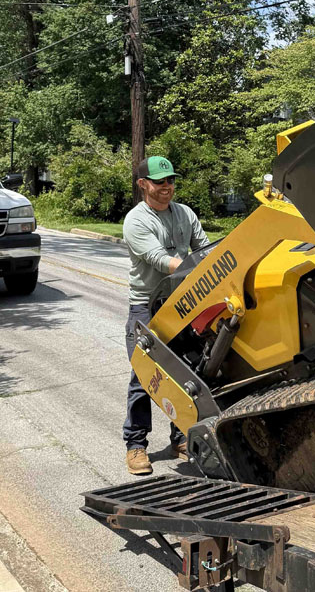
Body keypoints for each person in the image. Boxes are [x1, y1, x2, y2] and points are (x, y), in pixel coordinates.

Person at [122, 156, 210, 475]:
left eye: (171, 181)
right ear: (143, 184)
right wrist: (203, 269)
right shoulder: (136, 221)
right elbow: (162, 261)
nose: (167, 187)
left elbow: (204, 247)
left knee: (188, 371)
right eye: (160, 182)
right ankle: (135, 446)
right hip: (147, 306)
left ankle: (181, 438)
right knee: (143, 377)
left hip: (184, 303)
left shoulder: (185, 213)